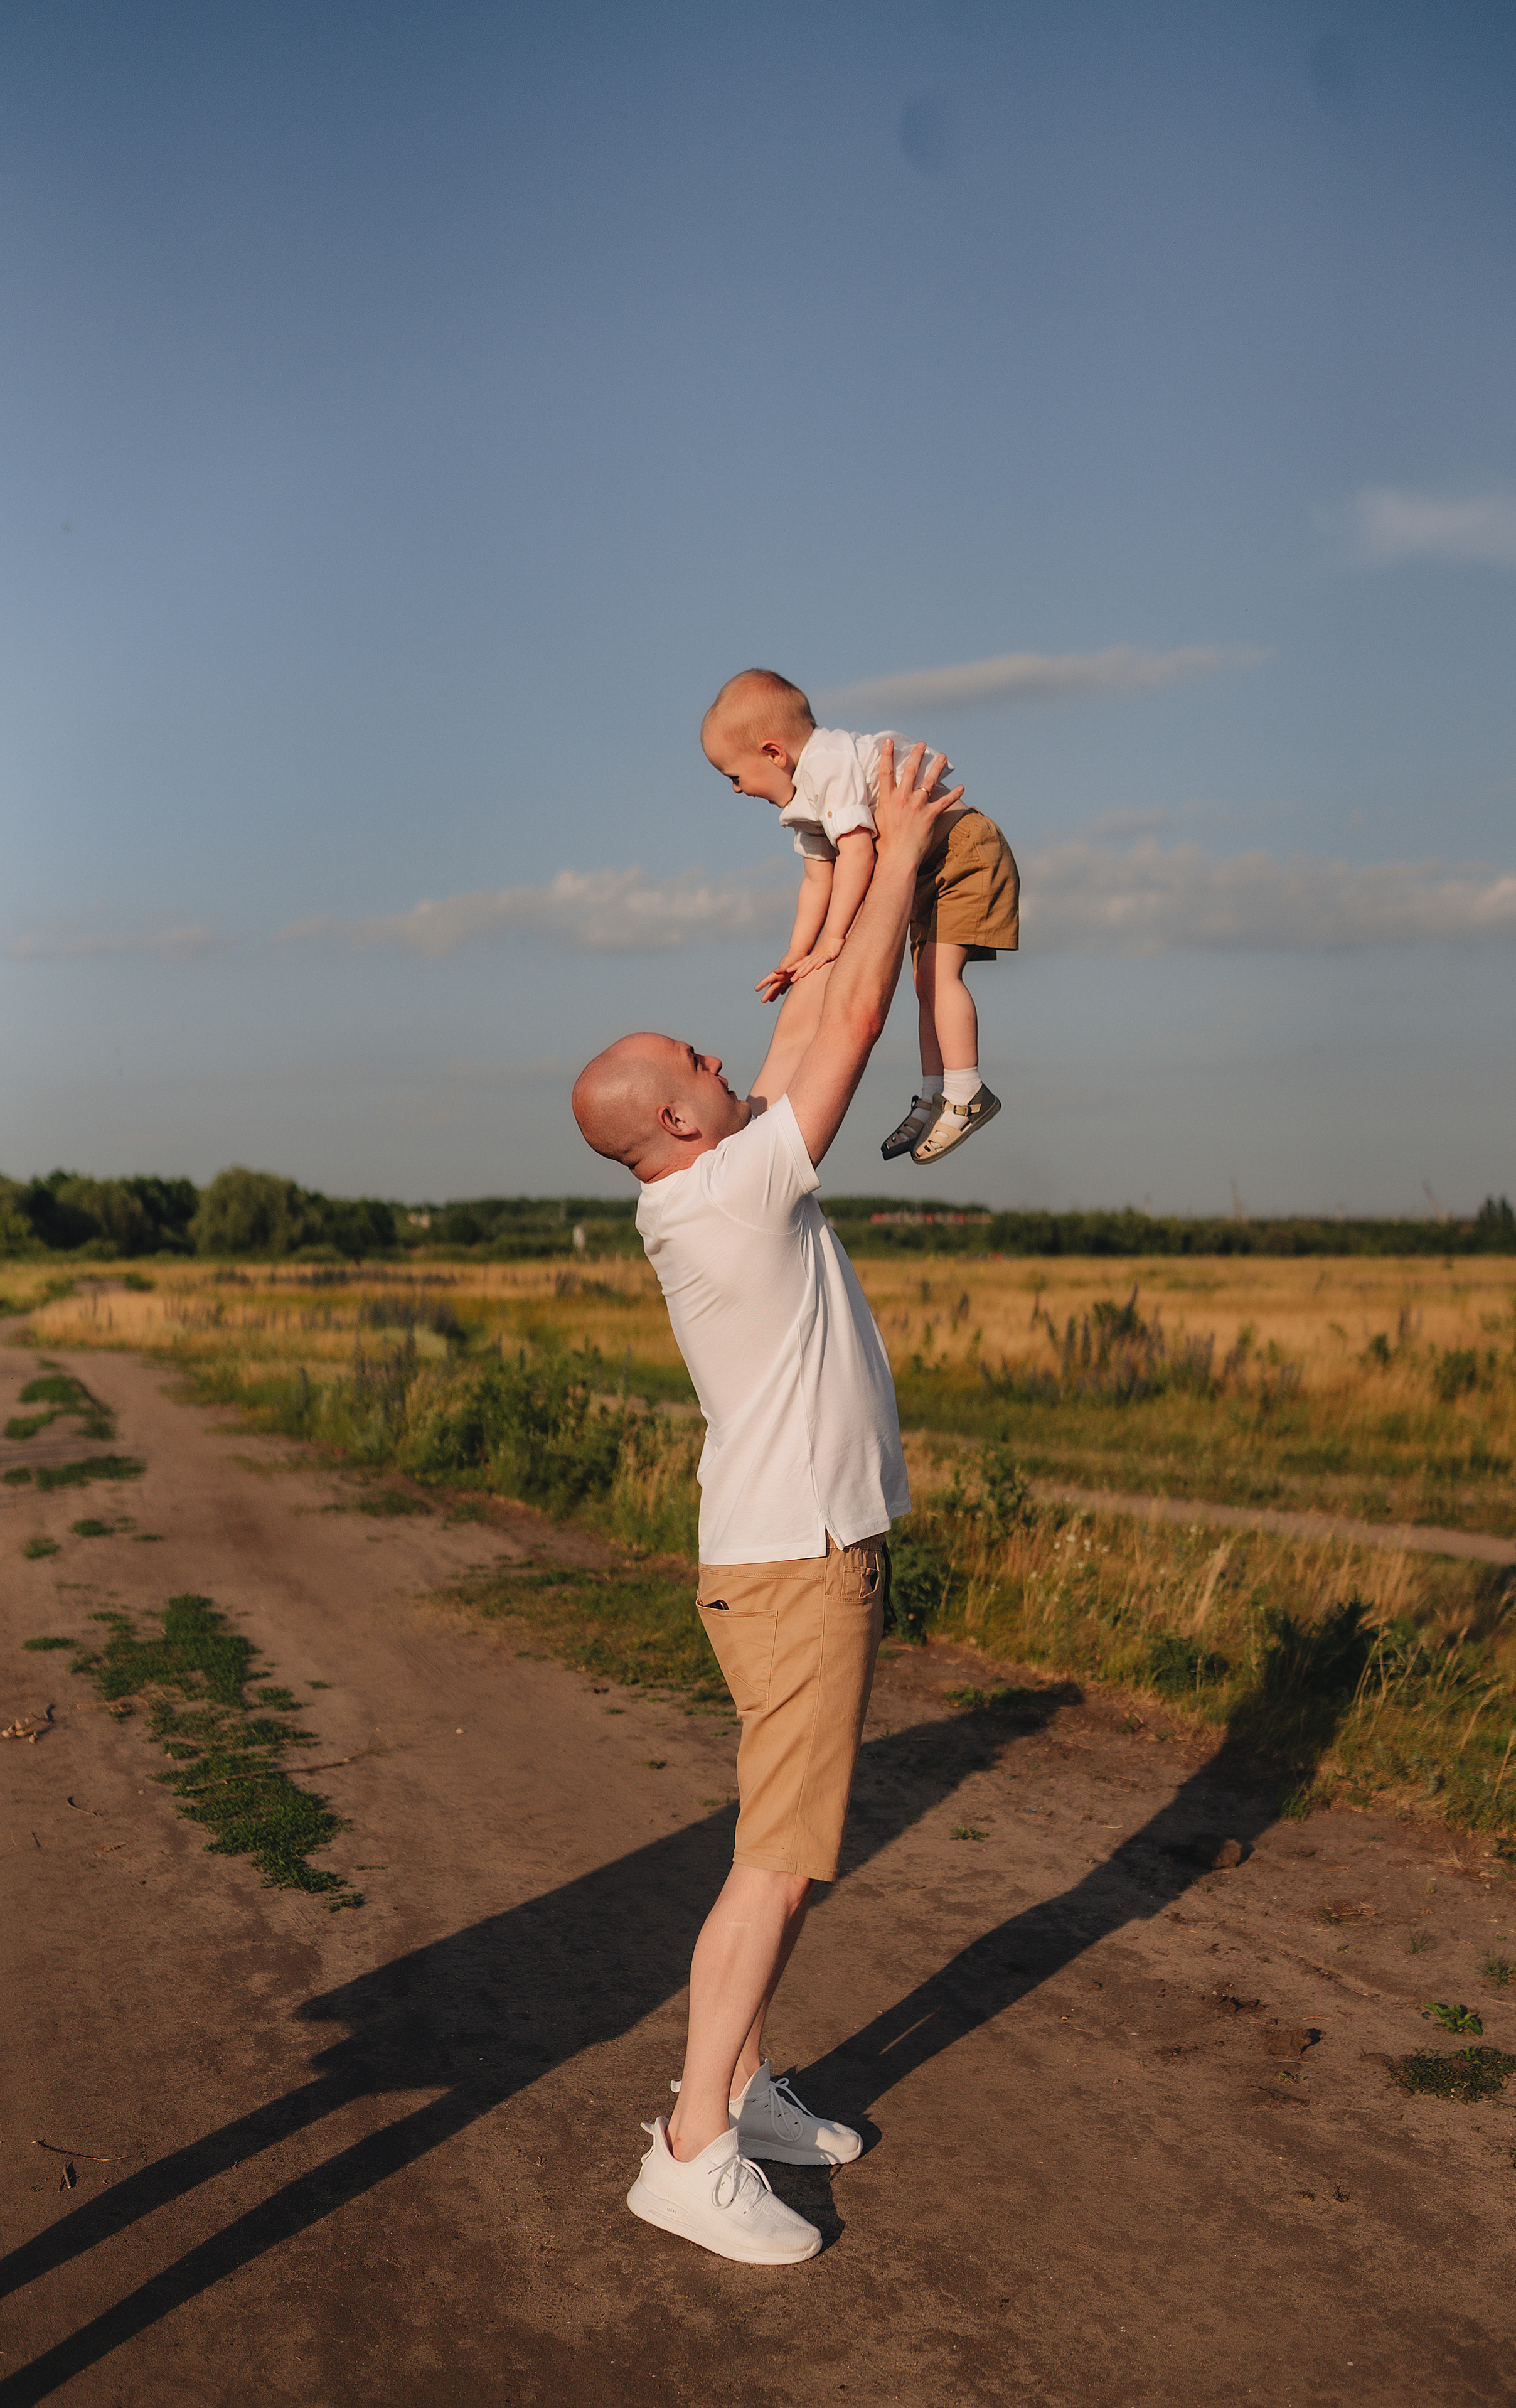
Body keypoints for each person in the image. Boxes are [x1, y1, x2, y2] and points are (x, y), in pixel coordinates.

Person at [571, 739, 961, 2265]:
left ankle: (731, 2079)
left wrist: (835, 845)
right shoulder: (729, 1189)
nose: (726, 1068)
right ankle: (689, 2148)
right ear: (674, 1123)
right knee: (776, 1860)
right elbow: (849, 1019)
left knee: (787, 1849)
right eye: (699, 1070)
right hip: (792, 1566)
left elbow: (804, 1012)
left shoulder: (700, 1177)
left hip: (791, 1554)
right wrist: (909, 855)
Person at [700, 665, 1020, 1166]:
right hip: (927, 864)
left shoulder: (828, 766)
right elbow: (817, 880)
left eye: (734, 776)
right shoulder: (804, 796)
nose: (737, 790)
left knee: (939, 979)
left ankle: (967, 1090)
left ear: (772, 752)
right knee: (925, 984)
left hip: (963, 851)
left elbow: (858, 855)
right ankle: (935, 1095)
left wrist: (833, 941)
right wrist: (797, 952)